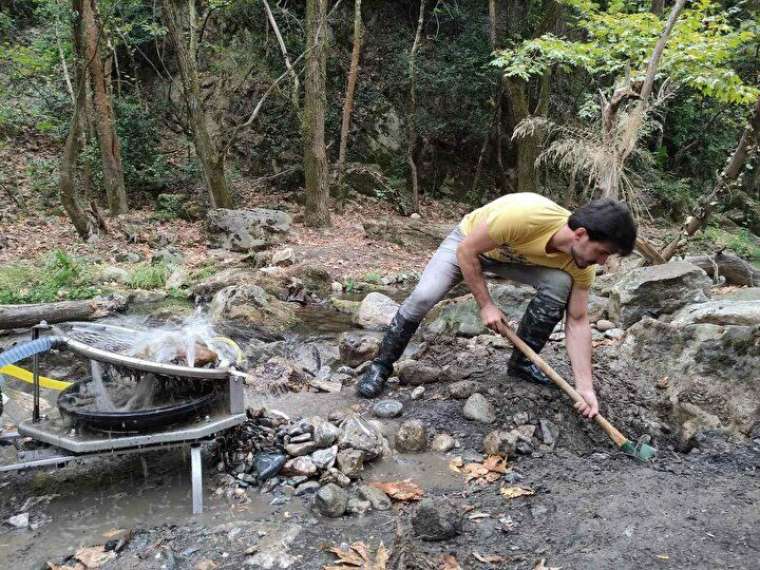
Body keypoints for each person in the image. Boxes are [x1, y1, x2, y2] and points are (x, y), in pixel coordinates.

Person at [356, 193, 637, 419]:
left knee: (560, 283)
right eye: (602, 253)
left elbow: (577, 321)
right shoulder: (525, 216)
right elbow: (467, 251)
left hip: (516, 261)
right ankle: (381, 365)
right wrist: (486, 305)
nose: (602, 263)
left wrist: (585, 387)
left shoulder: (581, 266)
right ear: (580, 234)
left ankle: (522, 364)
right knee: (423, 296)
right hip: (470, 245)